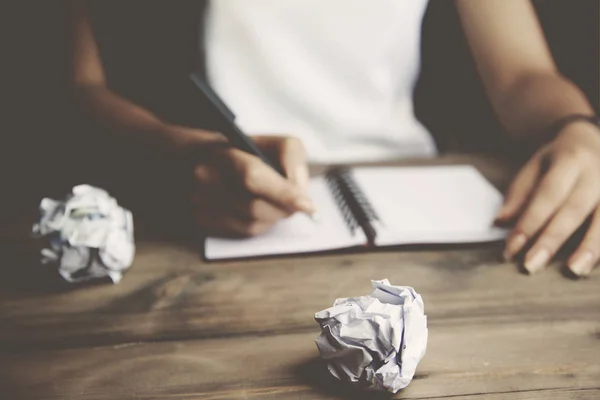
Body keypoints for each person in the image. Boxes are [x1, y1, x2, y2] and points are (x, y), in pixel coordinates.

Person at [69, 0, 600, 277]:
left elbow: (523, 76)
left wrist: (577, 128)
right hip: (207, 212)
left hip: (422, 213)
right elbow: (76, 90)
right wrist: (180, 152)